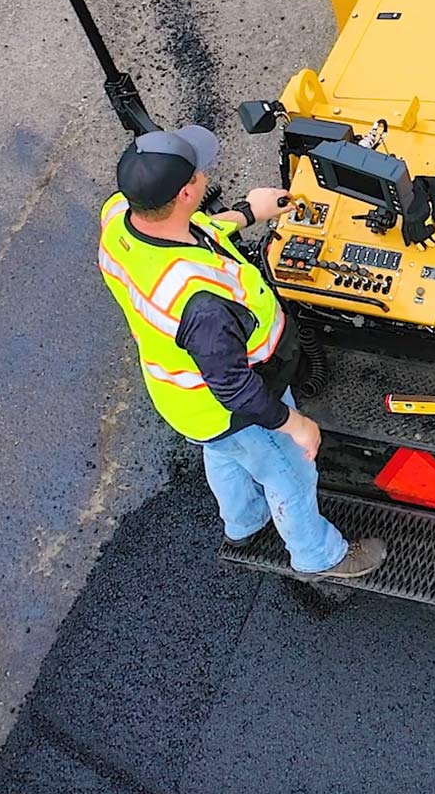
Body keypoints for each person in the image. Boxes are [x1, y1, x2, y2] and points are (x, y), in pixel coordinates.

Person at [98, 126, 384, 580]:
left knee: (225, 455)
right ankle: (319, 556)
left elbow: (192, 230)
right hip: (228, 405)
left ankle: (244, 522)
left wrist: (249, 212)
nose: (205, 171)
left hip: (182, 400)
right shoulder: (200, 303)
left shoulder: (119, 217)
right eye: (199, 171)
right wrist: (299, 425)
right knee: (290, 473)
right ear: (189, 191)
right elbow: (235, 387)